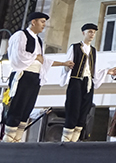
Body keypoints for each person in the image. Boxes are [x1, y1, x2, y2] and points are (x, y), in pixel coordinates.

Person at [2, 12, 74, 143]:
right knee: (18, 106)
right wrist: (35, 56)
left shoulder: (38, 40)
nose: (44, 25)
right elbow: (18, 54)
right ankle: (8, 140)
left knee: (27, 107)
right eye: (42, 21)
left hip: (35, 77)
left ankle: (17, 139)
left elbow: (43, 60)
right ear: (33, 22)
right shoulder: (21, 35)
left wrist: (63, 63)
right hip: (23, 75)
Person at [59, 23, 116, 142]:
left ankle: (74, 140)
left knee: (84, 110)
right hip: (76, 80)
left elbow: (93, 70)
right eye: (90, 32)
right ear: (84, 33)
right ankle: (65, 141)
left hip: (88, 83)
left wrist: (108, 71)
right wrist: (67, 66)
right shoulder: (75, 47)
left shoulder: (93, 51)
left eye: (94, 32)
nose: (92, 34)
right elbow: (67, 64)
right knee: (73, 108)